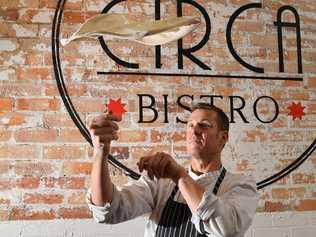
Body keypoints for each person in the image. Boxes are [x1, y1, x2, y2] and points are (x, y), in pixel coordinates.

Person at [86, 103, 259, 237]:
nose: (194, 130)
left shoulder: (241, 186)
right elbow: (107, 211)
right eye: (190, 125)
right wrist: (100, 152)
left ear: (223, 138)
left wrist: (180, 176)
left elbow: (225, 228)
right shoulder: (162, 183)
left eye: (204, 125)